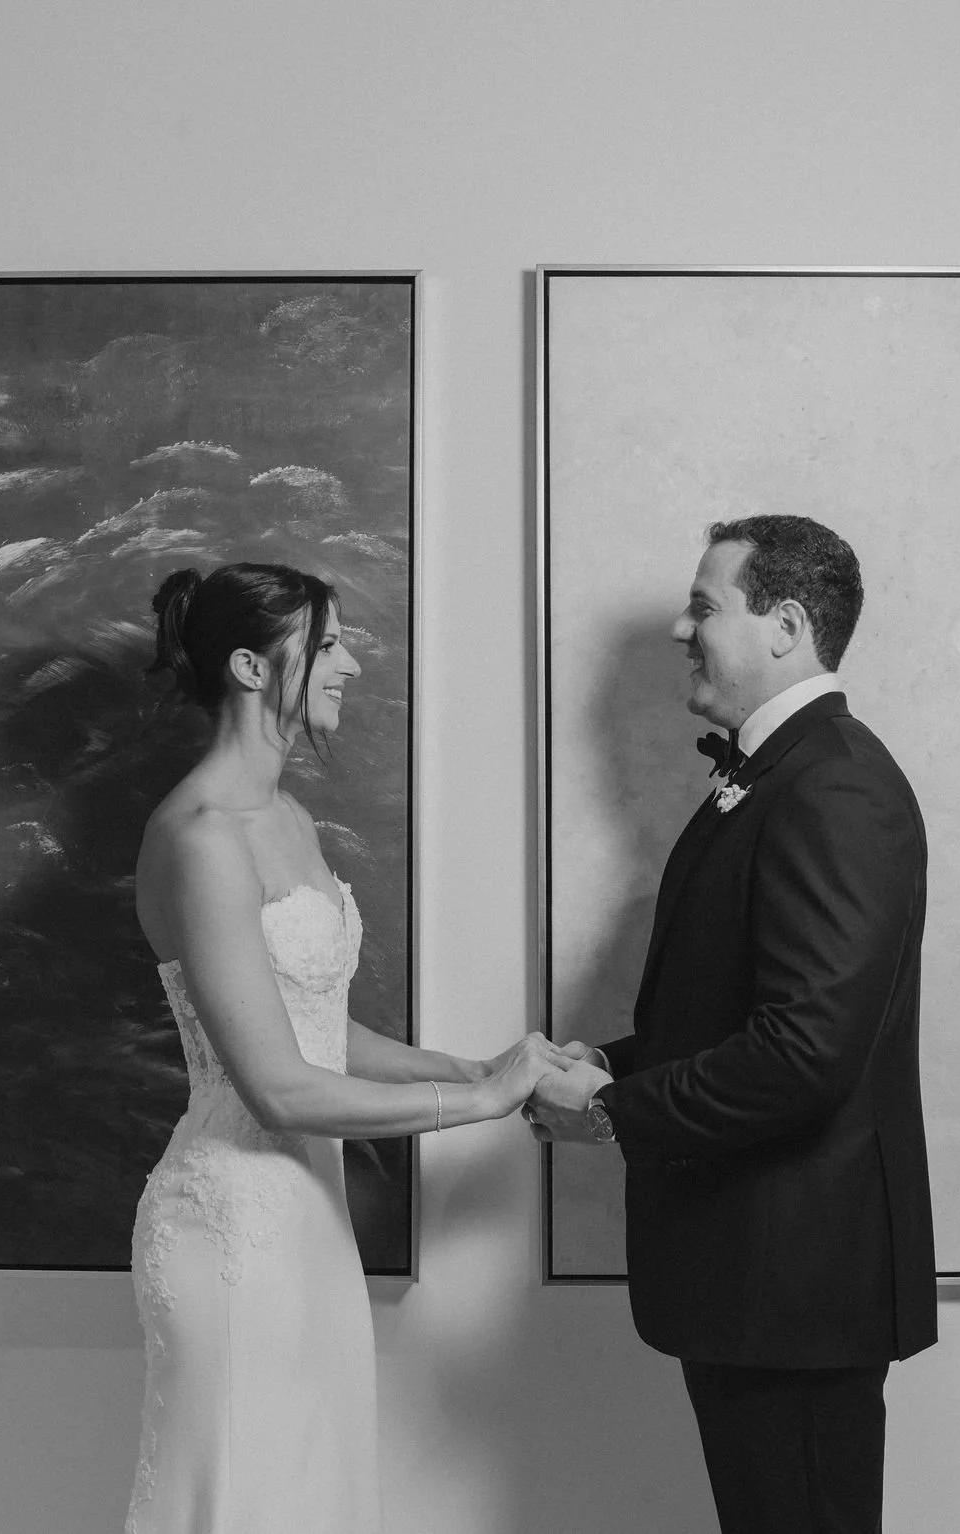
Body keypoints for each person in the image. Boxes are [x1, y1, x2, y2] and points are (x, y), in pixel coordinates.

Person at [124, 562, 566, 1534]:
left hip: (307, 1224)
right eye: (326, 644)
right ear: (249, 665)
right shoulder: (198, 837)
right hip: (229, 1223)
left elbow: (320, 1032)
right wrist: (481, 1102)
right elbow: (281, 1088)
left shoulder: (284, 818)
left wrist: (489, 1063)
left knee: (309, 1498)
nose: (351, 663)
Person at [528, 515, 937, 1534]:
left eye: (704, 605)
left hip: (795, 1286)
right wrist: (609, 1059)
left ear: (785, 625)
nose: (680, 625)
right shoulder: (779, 775)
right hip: (763, 1279)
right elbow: (748, 1009)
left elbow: (807, 1052)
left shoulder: (833, 784)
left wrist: (615, 1107)